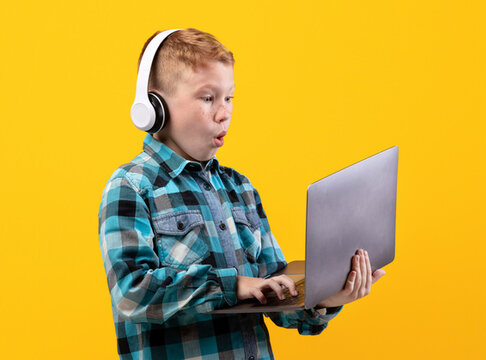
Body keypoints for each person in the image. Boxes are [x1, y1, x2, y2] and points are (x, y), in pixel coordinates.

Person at [98, 28, 385, 360]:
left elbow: (276, 294)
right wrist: (233, 285)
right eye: (208, 98)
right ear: (154, 106)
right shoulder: (132, 186)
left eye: (229, 97)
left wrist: (324, 297)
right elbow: (132, 294)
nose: (224, 113)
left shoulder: (240, 188)